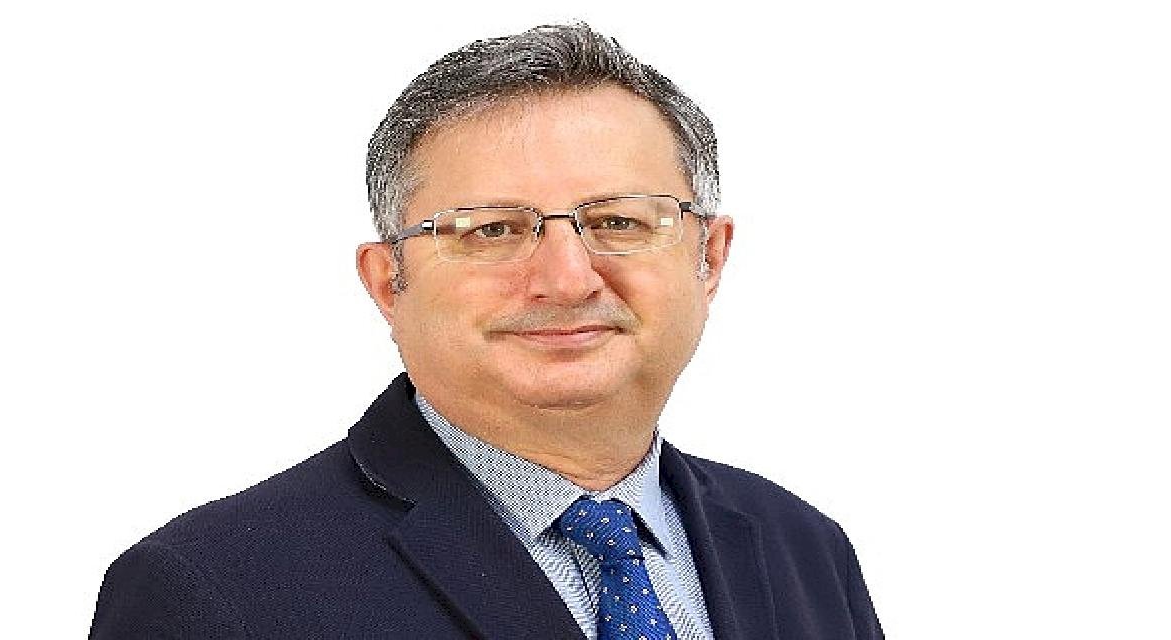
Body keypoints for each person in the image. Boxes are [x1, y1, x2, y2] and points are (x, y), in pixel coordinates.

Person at [90, 23, 883, 640]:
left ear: (709, 258)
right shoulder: (213, 590)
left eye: (618, 221)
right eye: (493, 230)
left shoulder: (805, 549)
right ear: (388, 281)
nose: (567, 278)